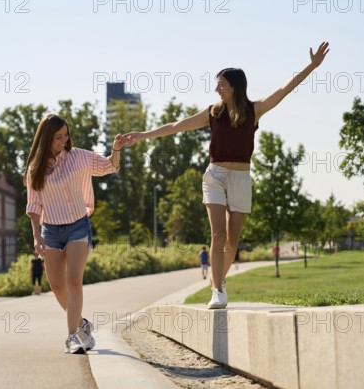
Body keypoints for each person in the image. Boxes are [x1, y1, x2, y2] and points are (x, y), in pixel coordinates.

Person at [124, 42, 330, 309]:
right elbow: (178, 125)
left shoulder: (254, 110)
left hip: (241, 179)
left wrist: (311, 66)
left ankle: (219, 278)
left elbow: (284, 89)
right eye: (216, 83)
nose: (217, 88)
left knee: (233, 241)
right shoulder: (213, 112)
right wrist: (144, 135)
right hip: (215, 176)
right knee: (218, 236)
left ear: (235, 86)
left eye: (221, 83)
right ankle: (217, 289)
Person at [24, 114, 125, 354]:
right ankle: (81, 325)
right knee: (57, 286)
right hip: (51, 230)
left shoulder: (78, 156)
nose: (64, 139)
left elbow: (109, 165)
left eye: (66, 135)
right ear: (46, 138)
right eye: (58, 137)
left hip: (79, 226)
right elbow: (33, 207)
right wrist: (37, 237)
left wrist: (116, 149)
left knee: (73, 281)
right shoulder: (35, 168)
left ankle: (74, 338)